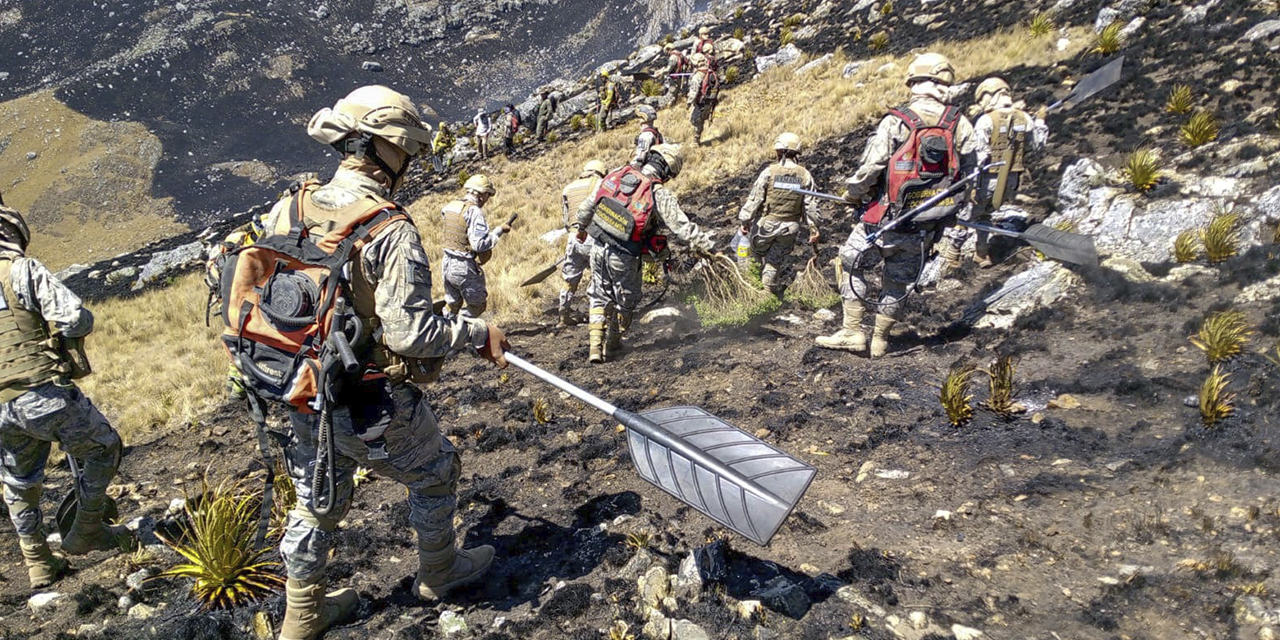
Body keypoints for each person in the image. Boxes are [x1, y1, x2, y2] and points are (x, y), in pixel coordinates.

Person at [245, 85, 509, 640]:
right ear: (390, 150)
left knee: (317, 499)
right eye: (407, 153)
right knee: (437, 473)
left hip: (301, 387)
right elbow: (412, 335)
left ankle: (301, 615)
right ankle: (438, 571)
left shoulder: (288, 205)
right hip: (367, 397)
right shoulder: (389, 228)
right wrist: (478, 330)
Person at [0, 206, 136, 591]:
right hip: (42, 393)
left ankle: (38, 563)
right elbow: (75, 316)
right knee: (104, 448)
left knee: (19, 480)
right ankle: (87, 529)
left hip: (0, 405)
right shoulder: (20, 270)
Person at [816, 53, 975, 358]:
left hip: (884, 220)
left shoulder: (898, 121)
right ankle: (880, 340)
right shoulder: (960, 124)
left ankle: (852, 332)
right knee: (899, 280)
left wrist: (853, 193)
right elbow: (968, 173)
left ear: (914, 82)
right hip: (926, 226)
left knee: (850, 263)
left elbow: (871, 168)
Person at [575, 144, 715, 363]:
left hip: (597, 246)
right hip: (624, 254)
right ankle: (612, 344)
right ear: (668, 172)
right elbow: (682, 228)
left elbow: (586, 207)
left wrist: (582, 229)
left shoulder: (617, 174)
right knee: (627, 299)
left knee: (599, 294)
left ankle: (594, 347)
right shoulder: (656, 192)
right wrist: (708, 247)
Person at [941, 77, 1048, 271]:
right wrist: (1040, 121)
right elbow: (1037, 147)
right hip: (1010, 181)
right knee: (986, 214)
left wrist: (969, 187)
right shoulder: (1024, 118)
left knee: (966, 216)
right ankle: (981, 253)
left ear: (988, 96)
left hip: (987, 180)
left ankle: (952, 256)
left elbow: (978, 158)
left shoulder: (986, 121)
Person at [737, 132, 821, 294]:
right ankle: (767, 291)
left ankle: (752, 291)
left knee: (753, 256)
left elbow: (755, 198)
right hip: (790, 228)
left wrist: (745, 220)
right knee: (774, 262)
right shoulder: (805, 175)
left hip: (766, 225)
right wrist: (814, 228)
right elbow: (811, 205)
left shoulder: (769, 172)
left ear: (780, 151)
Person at [441, 174, 509, 318]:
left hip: (446, 264)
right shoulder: (474, 211)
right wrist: (498, 232)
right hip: (463, 266)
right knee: (478, 305)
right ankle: (462, 330)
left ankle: (446, 333)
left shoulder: (450, 206)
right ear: (482, 195)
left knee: (453, 305)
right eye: (488, 195)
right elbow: (479, 244)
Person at [558, 160, 607, 325]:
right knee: (599, 276)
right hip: (592, 236)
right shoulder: (600, 183)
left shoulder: (569, 187)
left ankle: (563, 314)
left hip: (573, 237)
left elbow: (566, 219)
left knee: (570, 278)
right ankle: (598, 316)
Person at [687, 53, 719, 145]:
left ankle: (695, 141)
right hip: (709, 102)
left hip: (700, 103)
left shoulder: (697, 76)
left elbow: (694, 91)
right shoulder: (710, 72)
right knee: (701, 120)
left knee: (695, 121)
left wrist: (688, 103)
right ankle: (697, 139)